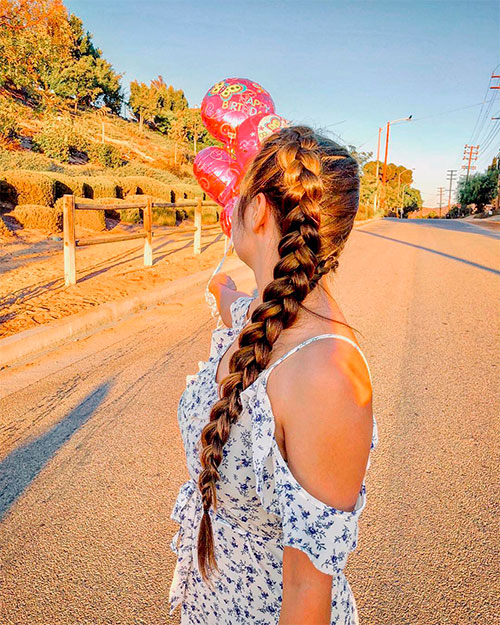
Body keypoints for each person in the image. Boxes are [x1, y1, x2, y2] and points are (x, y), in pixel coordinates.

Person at [168, 125, 379, 624]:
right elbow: (235, 305)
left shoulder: (327, 375)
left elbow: (308, 588)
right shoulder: (265, 318)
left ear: (258, 208)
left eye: (238, 194)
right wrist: (220, 287)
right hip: (210, 604)